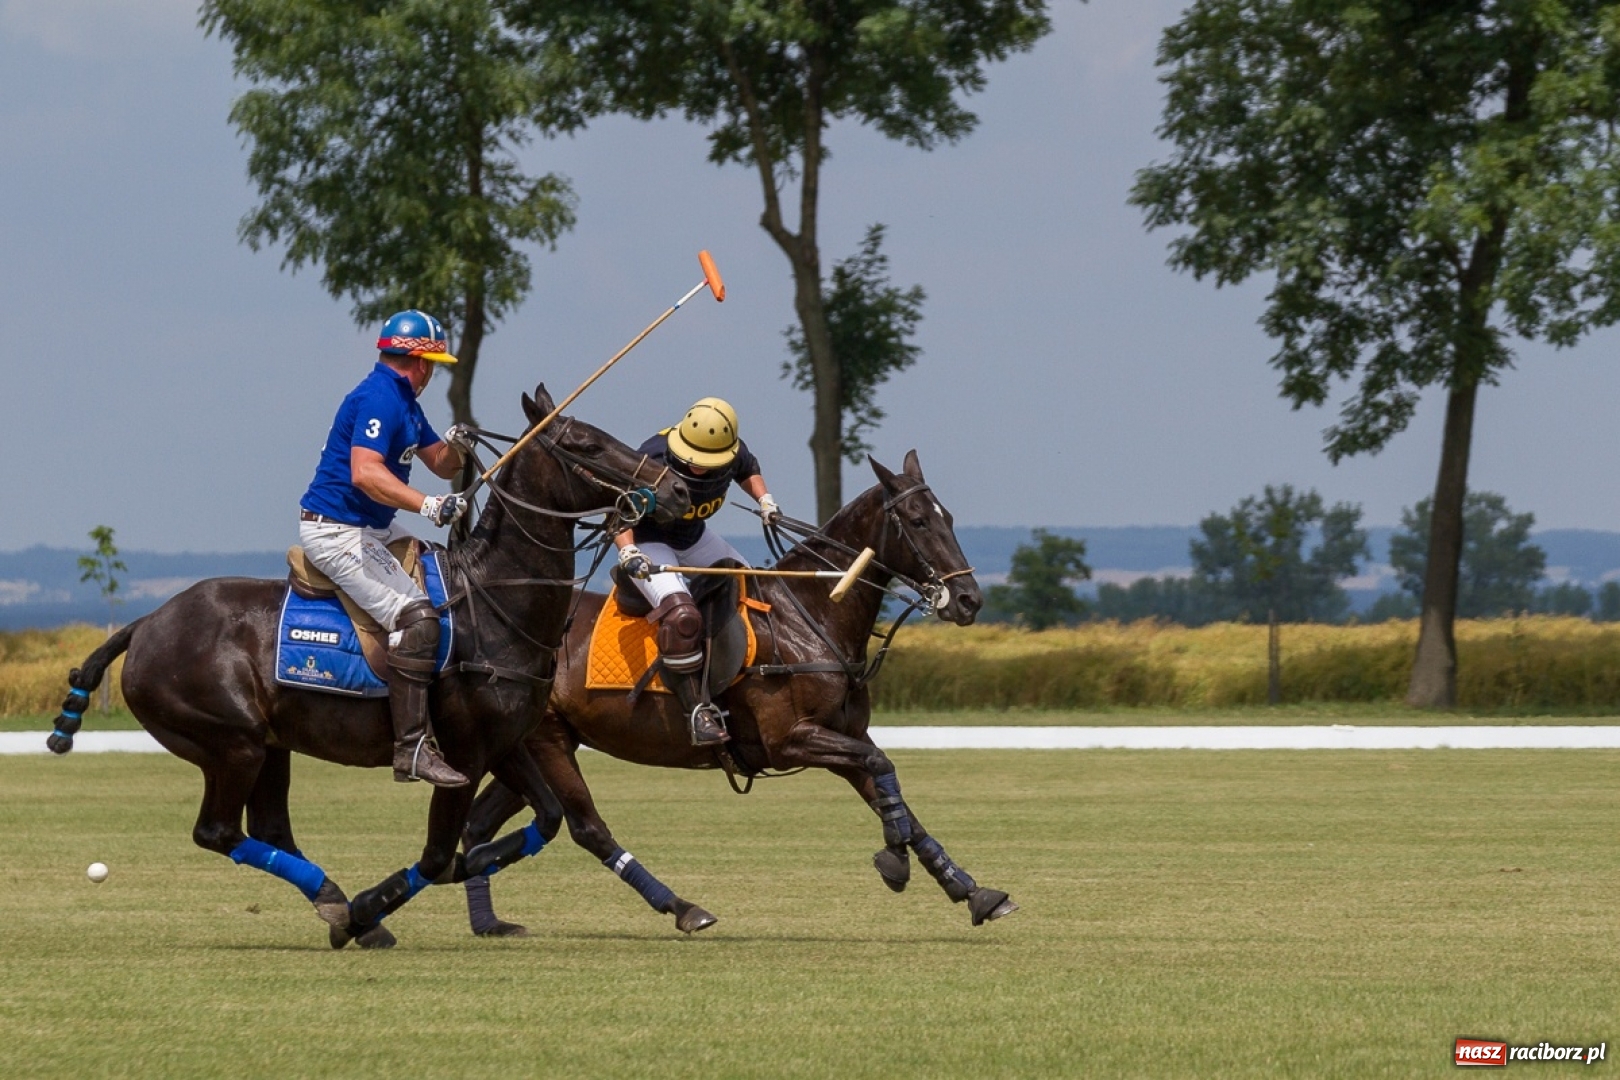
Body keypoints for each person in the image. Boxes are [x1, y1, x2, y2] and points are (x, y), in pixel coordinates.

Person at [299, 309, 474, 787]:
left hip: (371, 527)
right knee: (417, 617)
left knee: (446, 572)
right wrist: (428, 506)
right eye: (433, 363)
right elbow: (365, 472)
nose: (434, 373)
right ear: (419, 362)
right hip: (337, 530)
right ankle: (412, 747)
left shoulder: (405, 401)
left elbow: (441, 463)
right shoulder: (379, 397)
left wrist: (463, 444)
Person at [614, 397, 782, 746]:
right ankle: (696, 711)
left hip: (695, 538)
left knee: (760, 593)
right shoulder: (653, 457)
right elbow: (620, 508)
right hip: (649, 542)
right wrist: (628, 549)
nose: (699, 469)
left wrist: (765, 500)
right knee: (682, 614)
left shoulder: (732, 451)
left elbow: (748, 471)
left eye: (708, 463)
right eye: (693, 462)